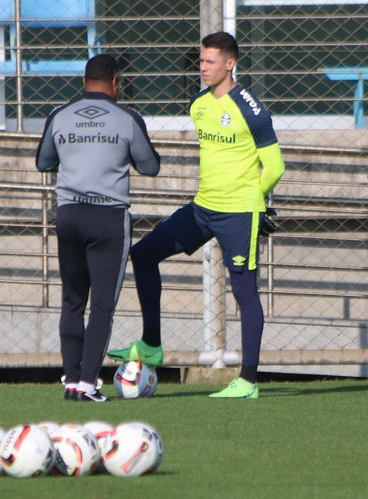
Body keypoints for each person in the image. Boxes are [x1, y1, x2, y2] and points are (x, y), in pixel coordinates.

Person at [107, 31, 285, 399]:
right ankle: (152, 344)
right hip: (203, 207)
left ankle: (248, 381)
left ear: (230, 64)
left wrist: (258, 201)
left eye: (210, 62)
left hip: (239, 211)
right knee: (142, 254)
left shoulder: (250, 108)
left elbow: (275, 166)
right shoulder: (199, 104)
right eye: (200, 61)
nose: (202, 68)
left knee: (244, 293)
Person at [36, 54, 160, 402]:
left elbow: (43, 161)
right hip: (107, 217)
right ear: (116, 83)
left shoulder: (59, 116)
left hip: (69, 214)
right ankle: (88, 385)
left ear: (84, 82)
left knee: (72, 301)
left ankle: (72, 380)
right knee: (102, 305)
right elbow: (151, 166)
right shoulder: (127, 117)